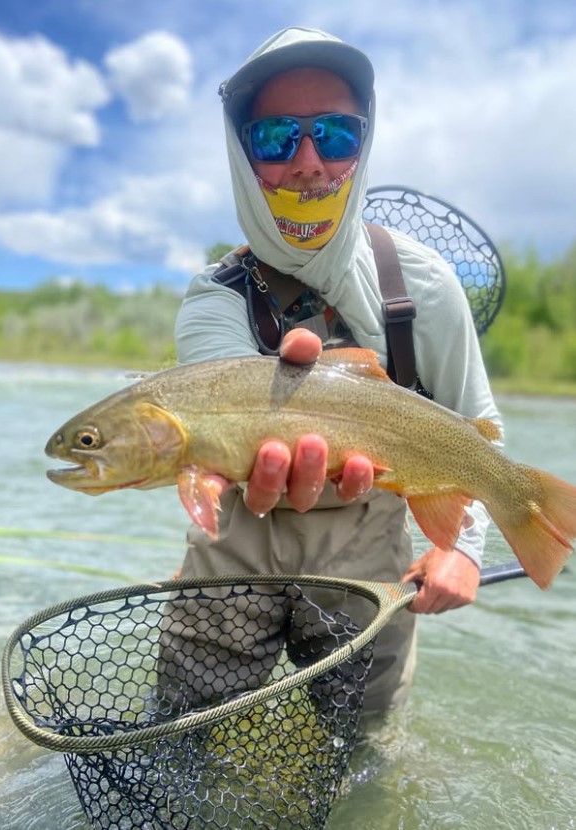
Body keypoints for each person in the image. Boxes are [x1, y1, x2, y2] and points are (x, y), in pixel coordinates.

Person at [171, 27, 502, 715]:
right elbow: (209, 428)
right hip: (239, 537)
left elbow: (479, 429)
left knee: (363, 749)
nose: (310, 163)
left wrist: (464, 548)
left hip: (368, 538)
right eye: (275, 139)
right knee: (182, 730)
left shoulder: (422, 285)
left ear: (364, 141)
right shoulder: (214, 298)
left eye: (335, 134)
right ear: (242, 155)